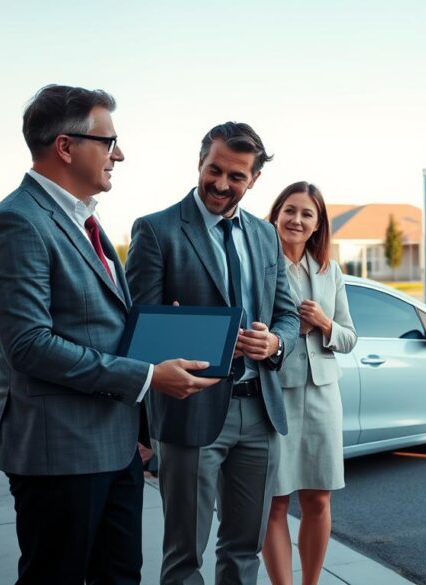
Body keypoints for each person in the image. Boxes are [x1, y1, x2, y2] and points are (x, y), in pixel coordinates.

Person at [0, 84, 219, 585]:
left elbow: (98, 320)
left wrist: (157, 335)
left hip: (116, 444)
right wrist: (147, 376)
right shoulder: (18, 223)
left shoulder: (85, 218)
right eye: (109, 142)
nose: (118, 154)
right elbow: (29, 346)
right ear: (66, 147)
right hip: (59, 452)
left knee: (121, 575)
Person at [125, 122, 300, 585]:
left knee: (245, 549)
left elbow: (287, 315)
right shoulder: (156, 230)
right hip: (190, 412)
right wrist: (173, 330)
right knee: (185, 556)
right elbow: (137, 331)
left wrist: (276, 341)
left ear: (254, 180)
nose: (222, 184)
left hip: (259, 410)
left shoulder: (265, 236)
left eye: (236, 176)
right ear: (200, 163)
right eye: (214, 170)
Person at [262, 181, 356, 585]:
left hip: (322, 395)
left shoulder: (330, 270)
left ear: (318, 225)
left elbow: (349, 337)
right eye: (290, 210)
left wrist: (323, 323)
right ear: (277, 214)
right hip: (275, 393)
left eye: (307, 214)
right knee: (276, 502)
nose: (296, 220)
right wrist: (286, 331)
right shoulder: (259, 263)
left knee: (318, 497)